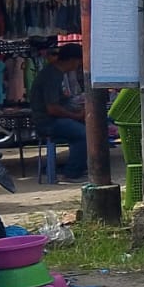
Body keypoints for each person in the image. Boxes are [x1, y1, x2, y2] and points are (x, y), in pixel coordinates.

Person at [29, 42, 89, 182]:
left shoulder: (55, 73)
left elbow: (60, 100)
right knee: (84, 134)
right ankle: (71, 173)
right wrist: (76, 115)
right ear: (72, 60)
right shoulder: (52, 76)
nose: (79, 65)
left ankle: (78, 166)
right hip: (47, 122)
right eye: (79, 62)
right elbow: (52, 108)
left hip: (53, 119)